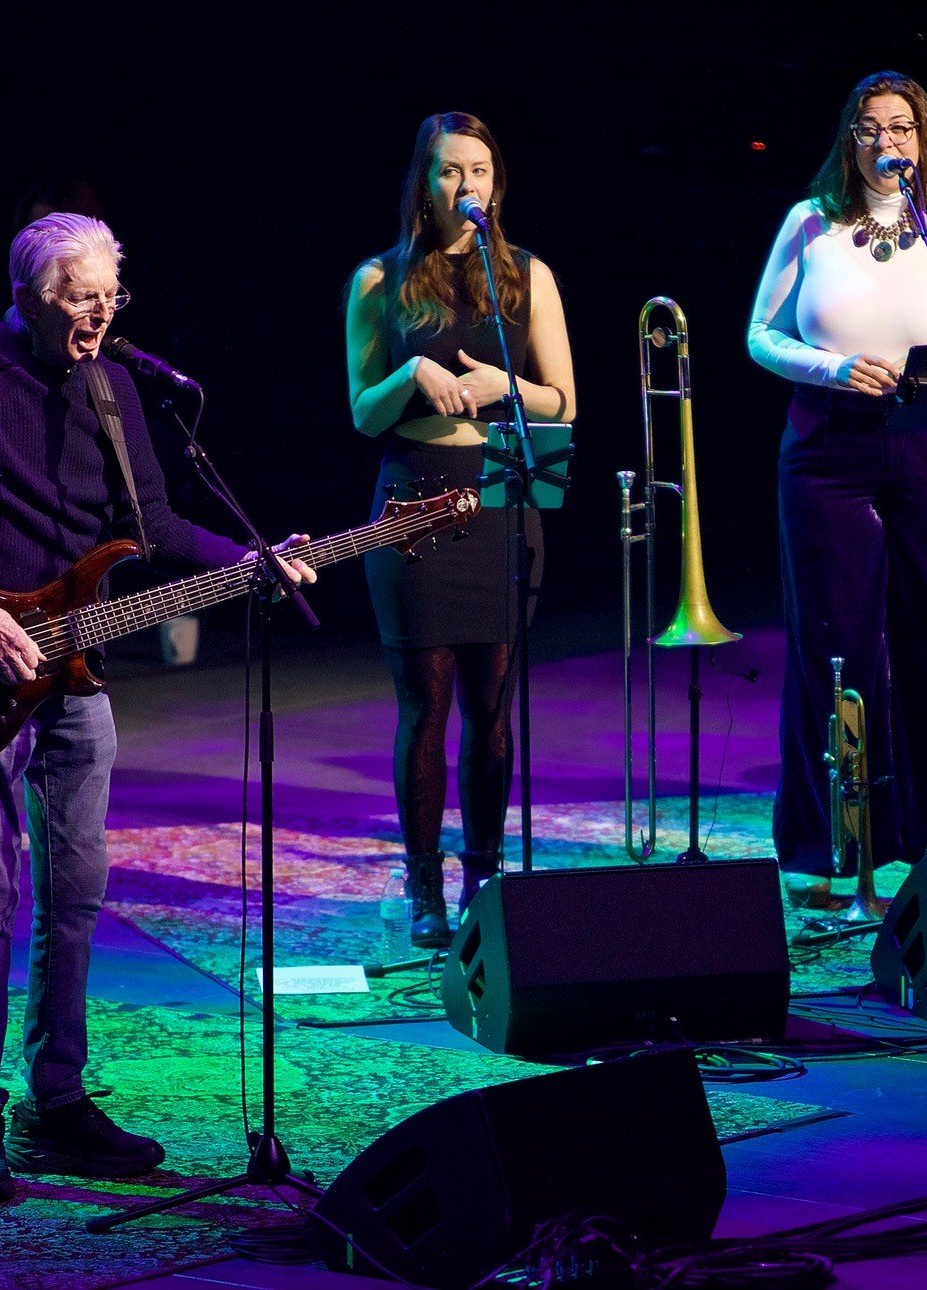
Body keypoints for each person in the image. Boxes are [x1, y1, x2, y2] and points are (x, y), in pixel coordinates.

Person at [0, 213, 315, 1203]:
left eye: (111, 297)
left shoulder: (114, 388)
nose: (98, 316)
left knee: (75, 897)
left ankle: (54, 1105)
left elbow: (147, 527)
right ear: (26, 294)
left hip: (78, 679)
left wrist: (252, 562)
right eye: (79, 298)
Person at [747, 71, 927, 905]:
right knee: (837, 643)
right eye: (869, 128)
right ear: (849, 141)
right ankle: (831, 846)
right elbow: (760, 334)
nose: (886, 141)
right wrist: (831, 366)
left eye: (901, 127)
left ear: (923, 140)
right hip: (830, 444)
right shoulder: (810, 223)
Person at [344, 112, 576, 948]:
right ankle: (423, 887)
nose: (466, 186)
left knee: (495, 709)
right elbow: (365, 413)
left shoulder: (525, 276)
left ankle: (483, 873)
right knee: (426, 710)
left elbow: (562, 400)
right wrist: (412, 371)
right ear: (425, 182)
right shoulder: (380, 280)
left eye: (479, 170)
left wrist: (493, 389)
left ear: (495, 183)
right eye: (450, 172)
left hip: (501, 503)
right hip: (412, 506)